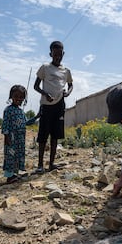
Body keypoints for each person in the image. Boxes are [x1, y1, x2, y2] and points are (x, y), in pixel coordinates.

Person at [33, 41, 73, 174]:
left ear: (63, 54)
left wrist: (68, 92)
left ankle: (51, 163)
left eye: (60, 54)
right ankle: (40, 165)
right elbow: (36, 86)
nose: (58, 57)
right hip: (46, 105)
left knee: (55, 135)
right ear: (51, 54)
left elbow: (70, 85)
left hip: (60, 105)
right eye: (55, 54)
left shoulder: (66, 71)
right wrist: (45, 94)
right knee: (43, 135)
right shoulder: (45, 68)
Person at [1, 85, 38, 183]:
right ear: (11, 97)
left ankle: (15, 174)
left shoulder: (21, 111)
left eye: (21, 97)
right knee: (10, 156)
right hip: (12, 138)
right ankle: (9, 176)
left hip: (20, 139)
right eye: (16, 96)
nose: (19, 99)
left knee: (18, 156)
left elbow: (26, 122)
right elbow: (5, 124)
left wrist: (36, 117)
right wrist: (6, 136)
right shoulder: (8, 110)